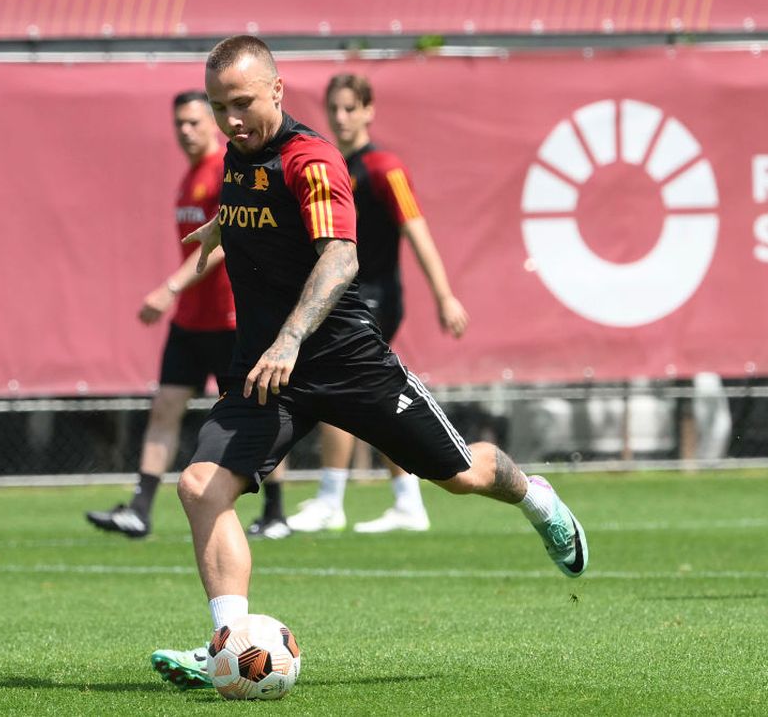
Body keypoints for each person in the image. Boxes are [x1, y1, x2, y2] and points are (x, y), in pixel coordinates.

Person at [149, 36, 588, 690]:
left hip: (345, 357)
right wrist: (224, 227)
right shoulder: (240, 159)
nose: (230, 120)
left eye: (241, 103)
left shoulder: (314, 159)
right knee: (198, 487)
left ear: (276, 90)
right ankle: (226, 645)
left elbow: (340, 257)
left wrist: (293, 336)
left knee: (462, 475)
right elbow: (260, 210)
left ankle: (539, 499)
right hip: (268, 371)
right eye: (219, 107)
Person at [85, 91, 290, 540]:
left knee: (255, 416)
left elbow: (222, 242)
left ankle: (275, 512)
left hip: (231, 320)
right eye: (180, 123)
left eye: (196, 121)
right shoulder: (189, 176)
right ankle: (140, 509)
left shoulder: (224, 169)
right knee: (165, 409)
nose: (187, 130)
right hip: (191, 322)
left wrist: (169, 286)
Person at [284, 73, 470, 535]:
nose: (342, 118)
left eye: (351, 108)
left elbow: (416, 228)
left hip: (375, 296)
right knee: (374, 395)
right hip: (345, 297)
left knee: (336, 383)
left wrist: (444, 296)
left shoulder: (384, 166)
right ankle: (407, 500)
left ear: (369, 110)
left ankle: (331, 498)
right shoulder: (326, 165)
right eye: (335, 109)